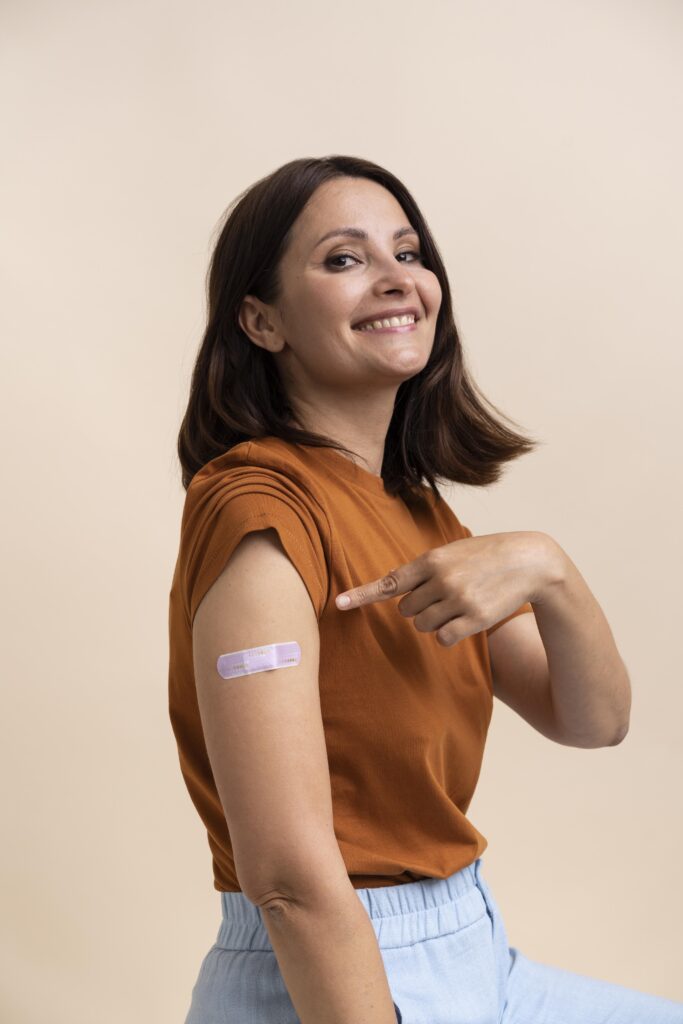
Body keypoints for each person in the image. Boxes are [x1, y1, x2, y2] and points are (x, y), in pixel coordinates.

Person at [168, 155, 683, 1023]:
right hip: (338, 976)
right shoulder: (258, 507)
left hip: (476, 952)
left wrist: (551, 569)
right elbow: (290, 881)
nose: (395, 279)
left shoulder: (416, 512)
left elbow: (593, 720)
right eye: (343, 259)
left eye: (407, 252)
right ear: (261, 321)